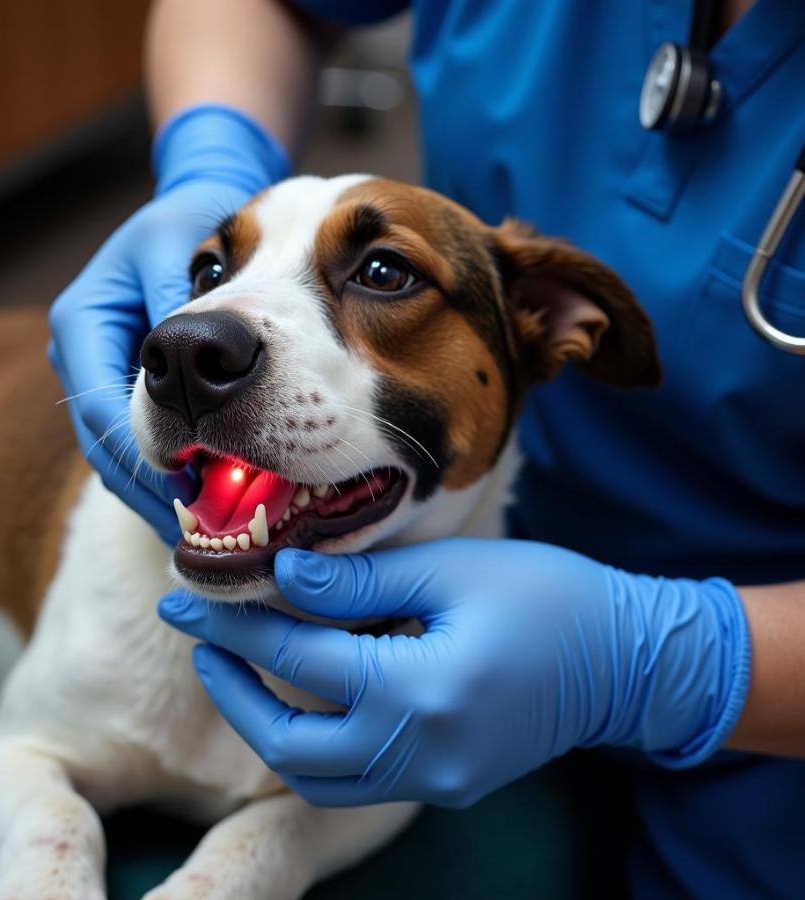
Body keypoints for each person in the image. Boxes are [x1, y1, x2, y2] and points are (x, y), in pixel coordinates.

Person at [49, 0, 805, 896]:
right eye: (212, 275)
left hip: (765, 752)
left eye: (382, 272)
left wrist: (672, 662)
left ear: (557, 319)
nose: (198, 330)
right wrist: (210, 158)